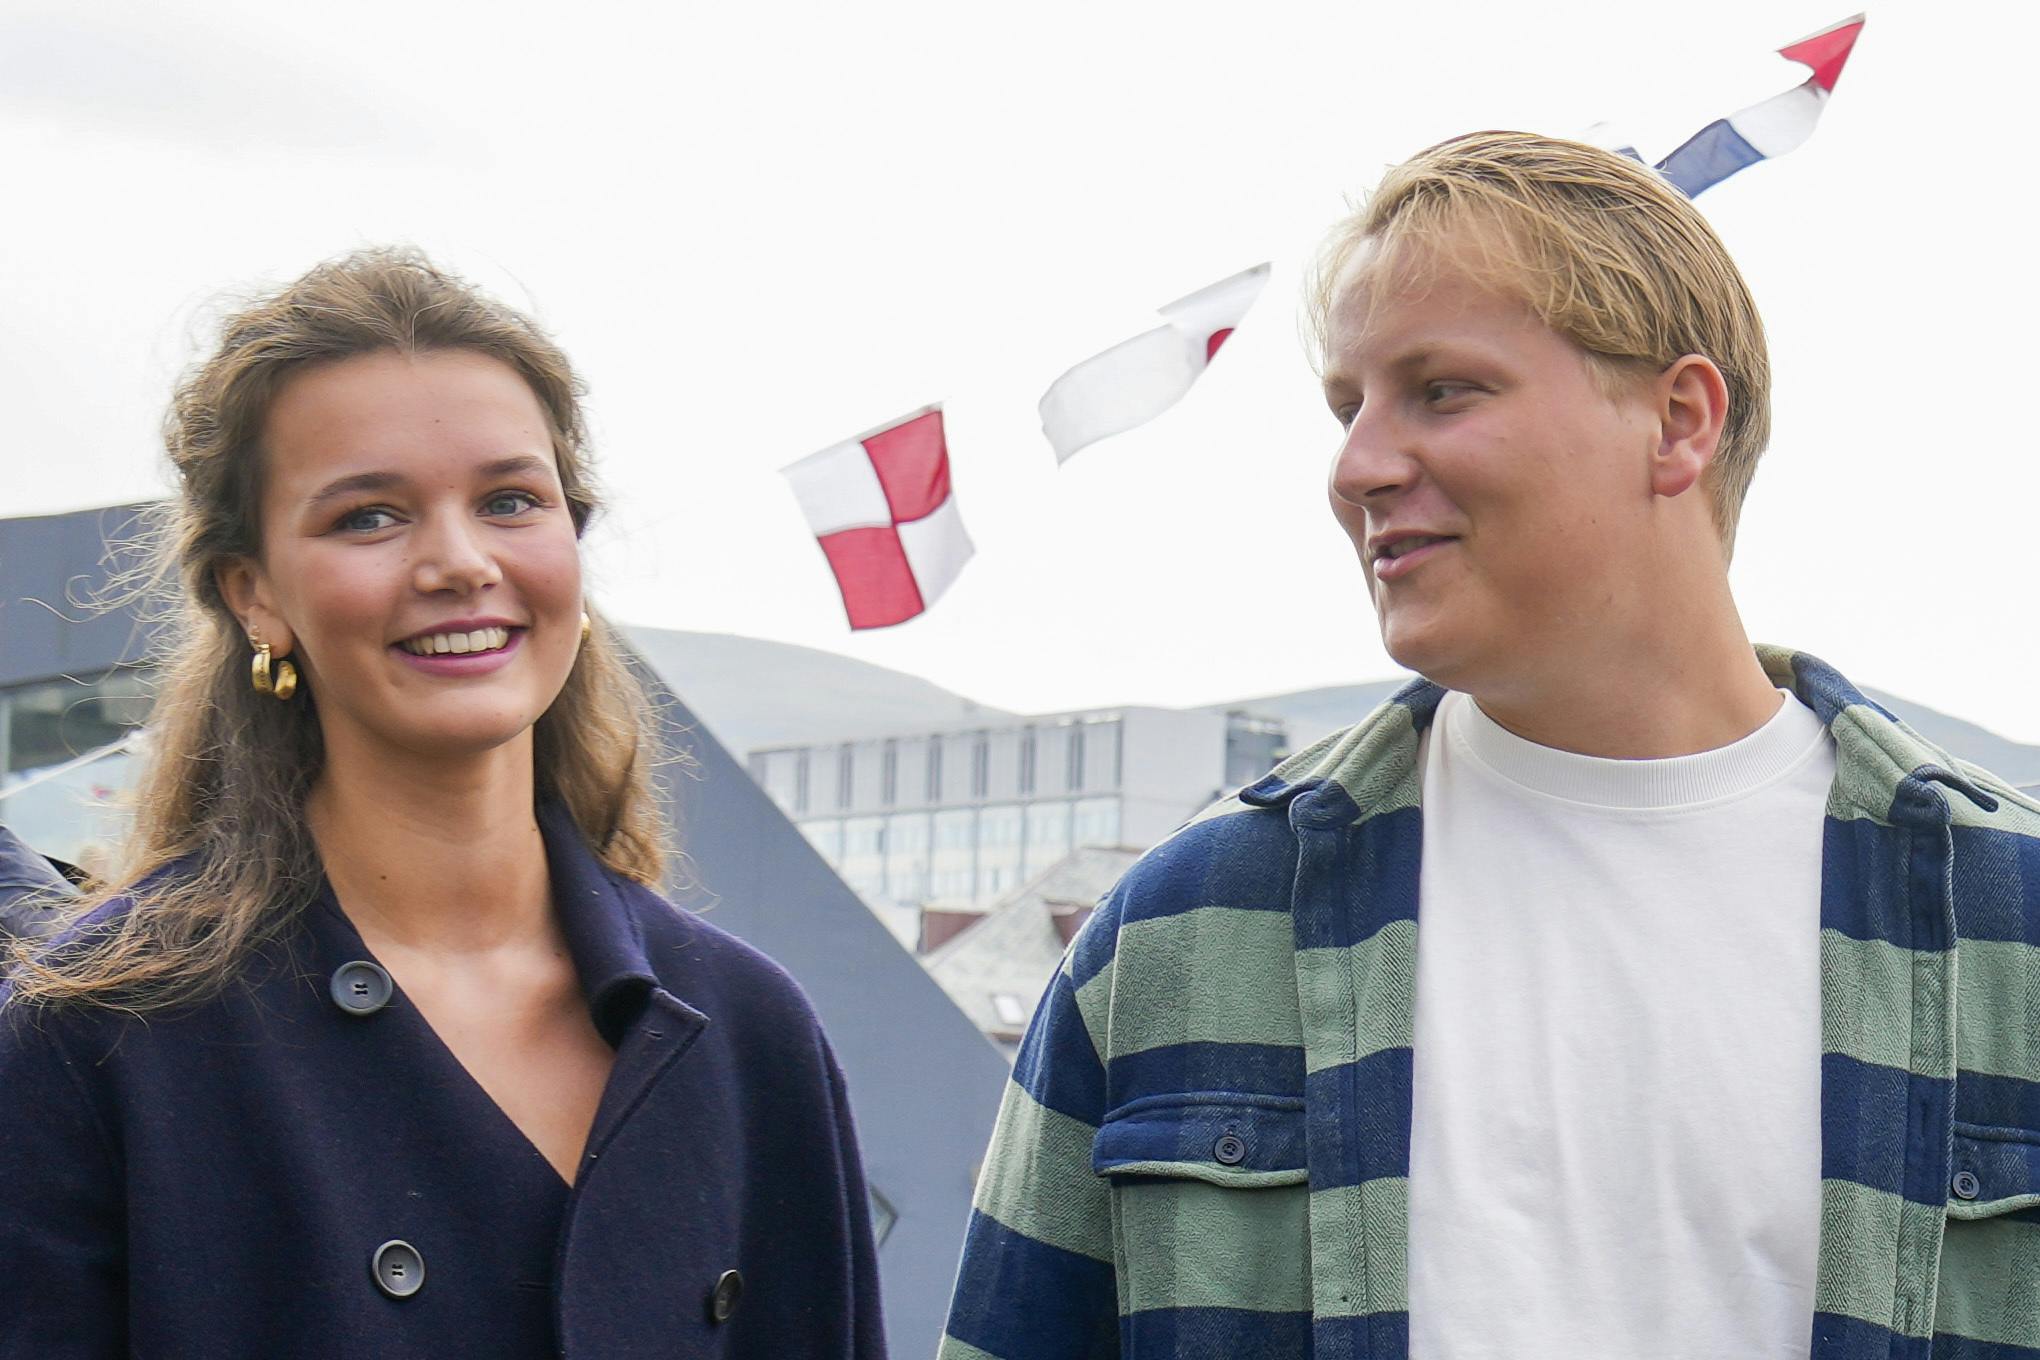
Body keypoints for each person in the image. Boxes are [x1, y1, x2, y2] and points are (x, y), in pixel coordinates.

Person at [941, 132, 2040, 1358]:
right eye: (1349, 407)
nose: (1356, 467)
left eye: (1441, 390)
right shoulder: (1183, 931)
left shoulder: (2016, 926)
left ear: (1677, 421)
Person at [0, 249, 886, 1358]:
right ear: (254, 592)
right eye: (369, 517)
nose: (460, 561)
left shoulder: (751, 1034)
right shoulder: (101, 1038)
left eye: (512, 500)